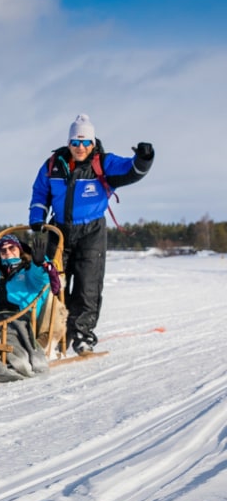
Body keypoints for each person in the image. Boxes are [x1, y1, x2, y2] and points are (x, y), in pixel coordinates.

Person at [29, 114, 154, 354]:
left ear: (93, 143)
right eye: (75, 143)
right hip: (59, 231)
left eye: (86, 142)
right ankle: (54, 334)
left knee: (88, 286)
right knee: (55, 285)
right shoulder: (53, 164)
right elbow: (39, 193)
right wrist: (37, 221)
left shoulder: (103, 163)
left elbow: (132, 170)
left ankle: (82, 336)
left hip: (91, 232)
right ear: (69, 143)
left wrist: (144, 158)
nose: (80, 148)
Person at [0, 233, 61, 321]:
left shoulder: (28, 270)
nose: (7, 252)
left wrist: (39, 264)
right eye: (3, 250)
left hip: (21, 319)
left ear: (20, 250)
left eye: (12, 248)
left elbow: (42, 278)